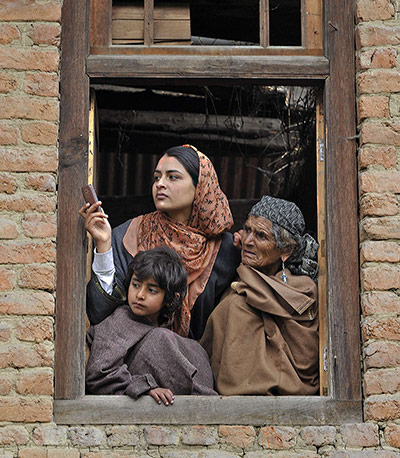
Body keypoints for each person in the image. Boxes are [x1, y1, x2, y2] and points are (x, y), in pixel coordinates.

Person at [80, 145, 239, 338]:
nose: (160, 184)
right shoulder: (129, 235)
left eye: (173, 177)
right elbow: (99, 313)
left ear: (201, 186)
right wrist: (104, 245)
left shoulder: (225, 250)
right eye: (157, 177)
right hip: (130, 362)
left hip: (196, 363)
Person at [200, 195, 319, 396]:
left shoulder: (301, 289)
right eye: (247, 230)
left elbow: (305, 360)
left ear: (286, 250)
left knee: (238, 306)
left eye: (261, 236)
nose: (247, 241)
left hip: (284, 392)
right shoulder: (242, 281)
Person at [86, 246, 217, 404]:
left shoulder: (164, 326)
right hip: (126, 404)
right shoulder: (121, 320)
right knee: (160, 338)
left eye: (152, 290)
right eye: (136, 285)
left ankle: (206, 400)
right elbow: (98, 372)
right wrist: (144, 387)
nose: (140, 295)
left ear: (169, 298)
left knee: (196, 349)